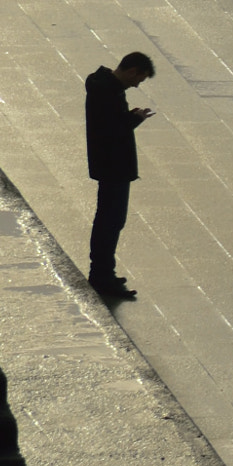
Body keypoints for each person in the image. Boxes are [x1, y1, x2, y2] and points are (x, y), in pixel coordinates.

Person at [85, 51, 155, 300]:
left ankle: (103, 272)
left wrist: (128, 118)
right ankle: (102, 276)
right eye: (139, 79)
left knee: (109, 220)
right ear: (132, 70)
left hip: (109, 165)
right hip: (114, 166)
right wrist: (133, 120)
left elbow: (109, 124)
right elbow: (112, 129)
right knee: (111, 221)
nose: (137, 84)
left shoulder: (103, 86)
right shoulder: (109, 92)